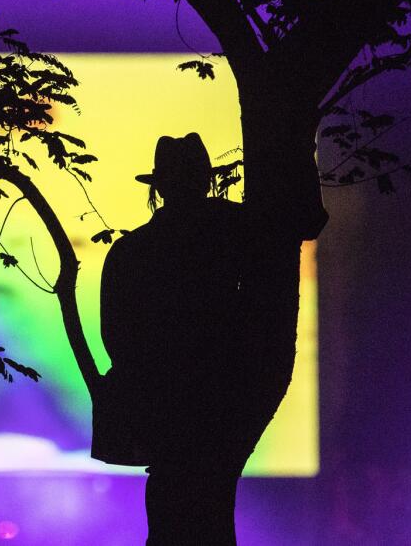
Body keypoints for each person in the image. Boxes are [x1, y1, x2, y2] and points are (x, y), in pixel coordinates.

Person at [93, 133, 252, 544]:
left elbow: (116, 336)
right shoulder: (235, 236)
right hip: (218, 406)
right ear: (205, 181)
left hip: (162, 416)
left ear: (158, 187)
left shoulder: (131, 252)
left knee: (167, 517)